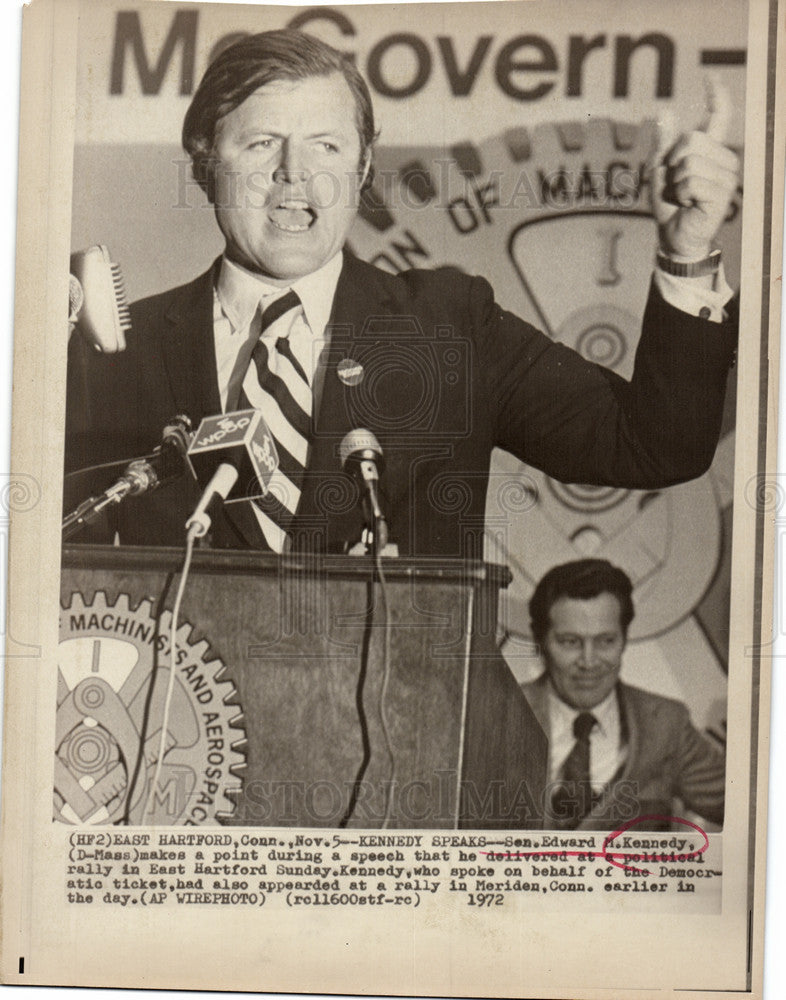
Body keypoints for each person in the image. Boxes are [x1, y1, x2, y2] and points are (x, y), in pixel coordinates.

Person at [64, 29, 740, 556]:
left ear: (362, 170)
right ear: (205, 165)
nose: (294, 174)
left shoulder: (452, 326)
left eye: (326, 147)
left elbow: (655, 445)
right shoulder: (114, 355)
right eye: (263, 143)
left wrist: (686, 253)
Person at [521, 559, 725, 831]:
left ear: (624, 640)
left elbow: (749, 802)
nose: (589, 661)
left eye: (606, 641)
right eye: (570, 642)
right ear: (541, 642)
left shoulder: (666, 723)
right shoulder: (497, 713)